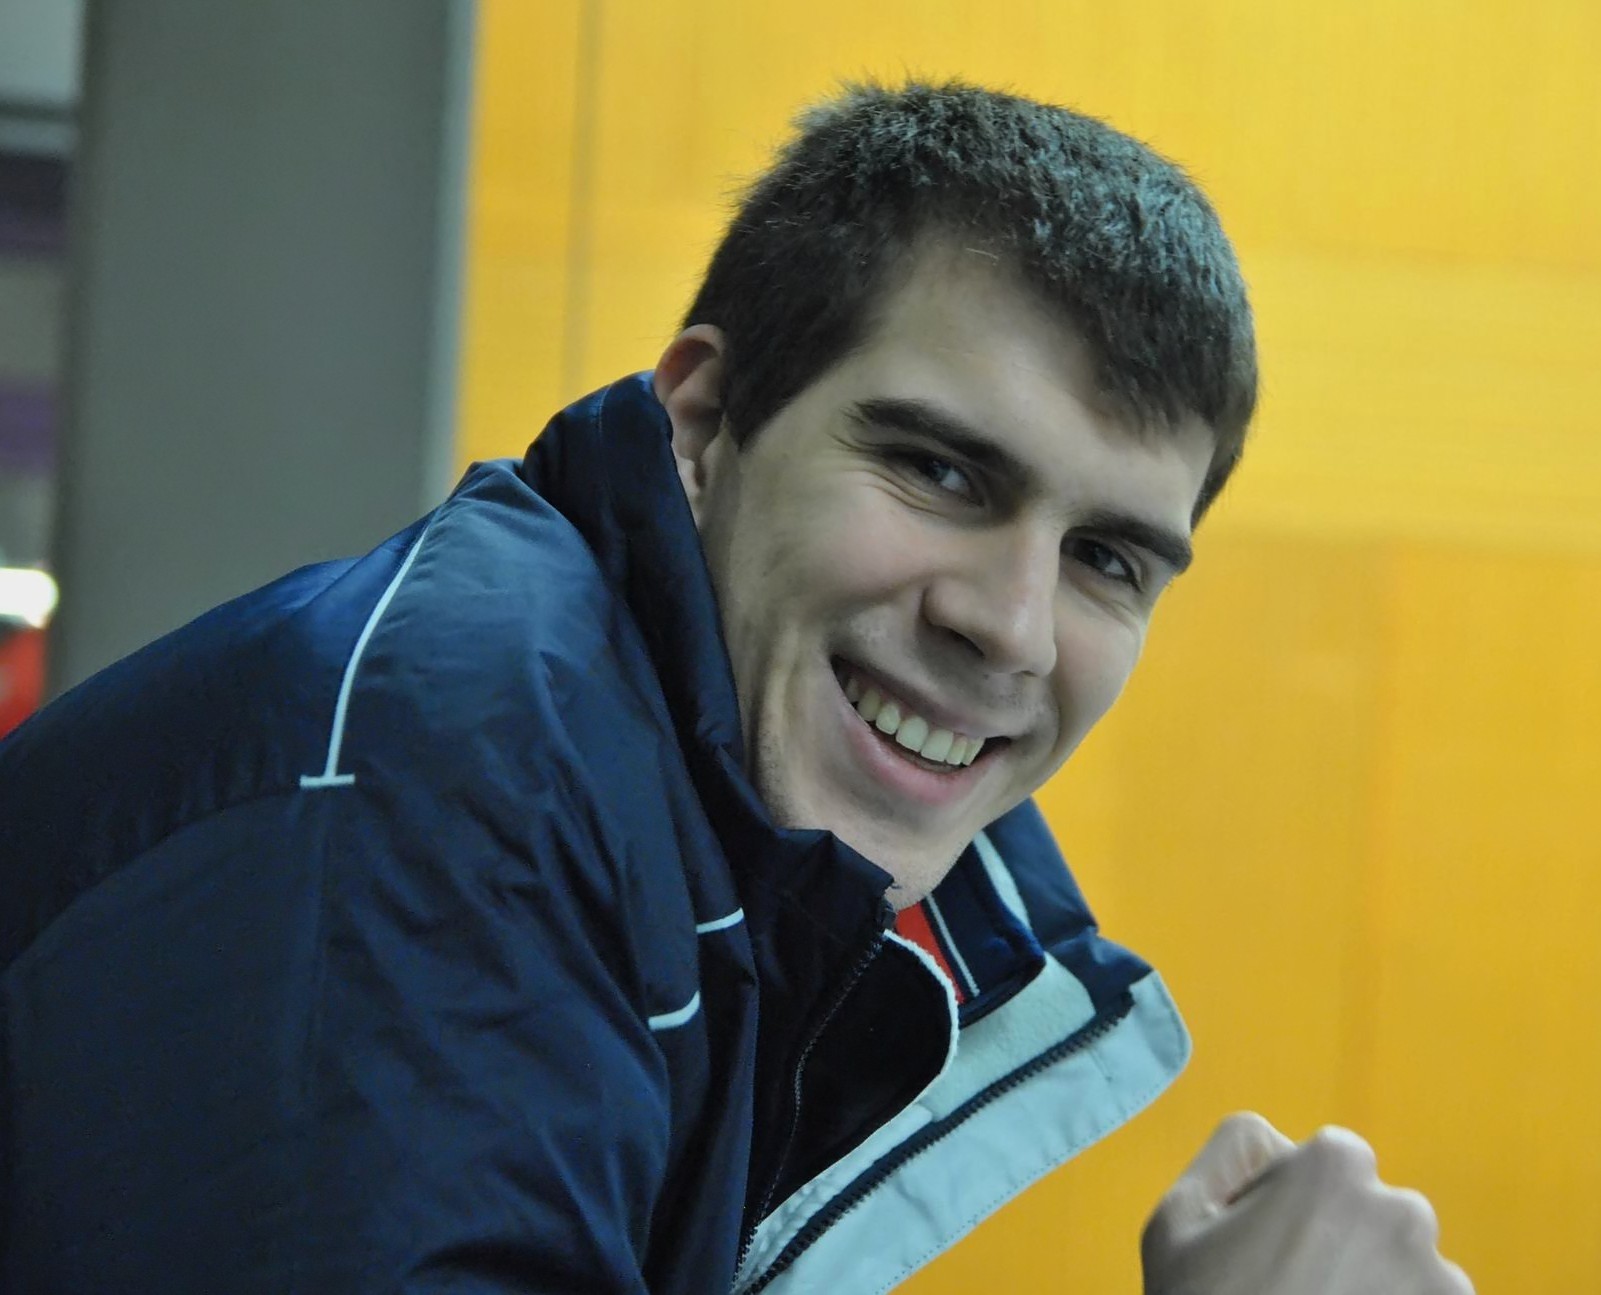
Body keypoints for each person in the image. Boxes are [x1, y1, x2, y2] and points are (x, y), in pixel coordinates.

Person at [0, 82, 1468, 1293]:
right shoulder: (447, 794)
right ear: (703, 416)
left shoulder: (700, 843)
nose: (1012, 630)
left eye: (1107, 559)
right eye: (941, 471)